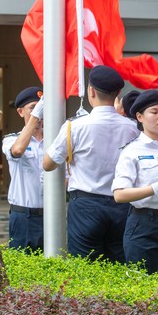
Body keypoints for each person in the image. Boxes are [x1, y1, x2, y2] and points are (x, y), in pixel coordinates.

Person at [42, 65, 139, 261]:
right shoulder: (133, 128)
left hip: (86, 205)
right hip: (121, 205)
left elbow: (48, 164)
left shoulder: (75, 126)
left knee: (85, 271)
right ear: (118, 93)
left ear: (91, 91)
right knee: (119, 267)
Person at [112, 90, 158, 273]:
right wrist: (155, 188)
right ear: (140, 117)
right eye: (154, 112)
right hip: (144, 221)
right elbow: (120, 194)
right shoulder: (132, 151)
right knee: (145, 288)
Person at [2, 86, 45, 252]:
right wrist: (35, 117)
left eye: (42, 108)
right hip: (24, 216)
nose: (39, 113)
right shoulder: (11, 140)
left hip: (51, 215)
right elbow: (17, 151)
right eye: (33, 108)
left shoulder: (54, 140)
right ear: (21, 112)